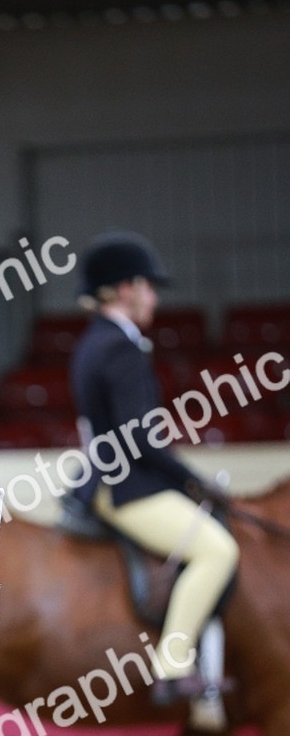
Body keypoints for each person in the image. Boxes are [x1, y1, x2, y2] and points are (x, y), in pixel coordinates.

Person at [69, 231, 239, 707]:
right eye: (150, 287)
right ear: (126, 287)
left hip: (108, 477)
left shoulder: (93, 342)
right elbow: (140, 439)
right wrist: (193, 479)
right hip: (127, 486)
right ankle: (173, 666)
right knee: (217, 550)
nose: (154, 298)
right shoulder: (120, 348)